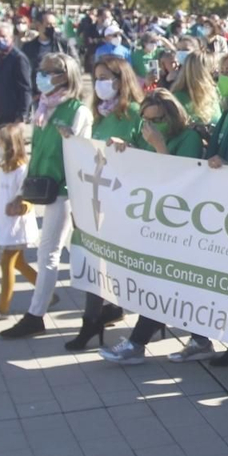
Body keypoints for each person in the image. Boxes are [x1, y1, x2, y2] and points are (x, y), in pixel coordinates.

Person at [100, 90, 210, 366]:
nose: (150, 127)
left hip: (180, 222)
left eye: (158, 120)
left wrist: (160, 147)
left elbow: (183, 180)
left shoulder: (188, 138)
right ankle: (200, 338)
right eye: (146, 121)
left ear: (171, 115)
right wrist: (124, 147)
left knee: (163, 283)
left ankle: (137, 343)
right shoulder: (146, 134)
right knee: (170, 284)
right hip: (153, 219)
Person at [2, 54, 91, 339]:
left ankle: (36, 314)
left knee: (49, 253)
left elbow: (83, 152)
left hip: (66, 190)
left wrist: (71, 139)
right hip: (43, 185)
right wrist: (21, 192)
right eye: (40, 70)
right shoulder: (43, 108)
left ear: (65, 76)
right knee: (64, 250)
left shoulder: (77, 110)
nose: (41, 76)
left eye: (48, 71)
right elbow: (37, 153)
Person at [64, 58, 146, 352]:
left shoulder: (135, 113)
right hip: (97, 202)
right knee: (95, 262)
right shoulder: (98, 115)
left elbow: (150, 157)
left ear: (120, 79)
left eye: (105, 77)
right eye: (95, 77)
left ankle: (131, 318)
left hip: (125, 204)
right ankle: (92, 319)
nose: (99, 83)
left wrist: (129, 150)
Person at [0, 123, 39, 323]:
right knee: (19, 263)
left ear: (9, 145)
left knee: (7, 263)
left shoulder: (21, 168)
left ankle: (2, 307)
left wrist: (21, 205)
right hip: (5, 224)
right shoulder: (4, 167)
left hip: (17, 227)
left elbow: (27, 197)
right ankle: (45, 291)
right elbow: (0, 196)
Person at [0, 22, 34, 131]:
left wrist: (22, 116)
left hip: (11, 116)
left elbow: (25, 89)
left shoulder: (18, 58)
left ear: (11, 37)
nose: (0, 39)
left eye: (3, 36)